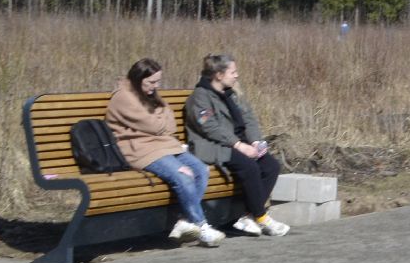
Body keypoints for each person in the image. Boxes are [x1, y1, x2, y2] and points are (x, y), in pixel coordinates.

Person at [105, 58, 225, 247]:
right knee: (184, 176)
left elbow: (170, 126)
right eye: (151, 82)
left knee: (201, 169)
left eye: (158, 82)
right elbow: (155, 125)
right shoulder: (124, 97)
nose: (155, 87)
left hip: (165, 146)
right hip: (141, 151)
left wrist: (160, 120)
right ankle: (202, 227)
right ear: (137, 79)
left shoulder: (149, 95)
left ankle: (185, 222)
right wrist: (160, 118)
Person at [186, 53, 291, 236]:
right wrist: (238, 145)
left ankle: (248, 216)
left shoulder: (231, 94)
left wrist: (256, 141)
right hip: (214, 145)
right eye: (233, 72)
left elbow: (249, 118)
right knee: (249, 167)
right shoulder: (200, 97)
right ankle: (261, 216)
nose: (237, 75)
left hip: (238, 143)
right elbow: (210, 128)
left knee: (271, 166)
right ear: (219, 75)